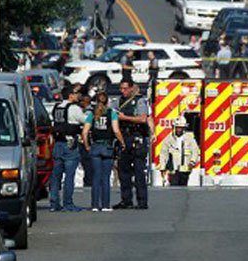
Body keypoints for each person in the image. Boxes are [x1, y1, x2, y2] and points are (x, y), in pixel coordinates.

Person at [81, 90, 124, 212]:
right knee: (105, 177)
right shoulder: (112, 114)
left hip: (95, 146)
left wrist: (87, 145)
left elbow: (84, 132)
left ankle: (95, 205)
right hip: (107, 147)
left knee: (96, 177)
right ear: (107, 101)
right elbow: (116, 131)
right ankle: (105, 205)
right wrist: (122, 142)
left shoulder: (92, 114)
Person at [114, 78, 151, 209]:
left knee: (139, 172)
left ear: (131, 88)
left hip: (136, 138)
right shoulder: (118, 102)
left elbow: (142, 118)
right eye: (121, 88)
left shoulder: (139, 101)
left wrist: (125, 118)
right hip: (124, 138)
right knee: (123, 172)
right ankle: (126, 200)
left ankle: (142, 201)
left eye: (125, 88)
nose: (123, 91)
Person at [48, 85, 86, 212]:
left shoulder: (57, 107)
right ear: (70, 95)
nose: (78, 95)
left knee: (56, 175)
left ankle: (54, 202)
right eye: (76, 93)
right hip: (70, 143)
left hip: (58, 143)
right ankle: (68, 203)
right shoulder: (74, 108)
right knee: (69, 175)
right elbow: (84, 120)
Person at [158, 116, 200, 186]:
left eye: (181, 127)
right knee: (174, 188)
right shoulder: (169, 139)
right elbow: (163, 154)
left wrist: (192, 162)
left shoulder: (189, 139)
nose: (179, 129)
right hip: (173, 170)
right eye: (177, 127)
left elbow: (195, 151)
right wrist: (163, 167)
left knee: (183, 187)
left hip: (185, 169)